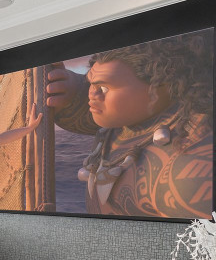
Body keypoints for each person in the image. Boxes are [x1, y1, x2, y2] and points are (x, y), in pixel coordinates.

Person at [45, 32, 213, 218]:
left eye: (103, 88)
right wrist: (72, 91)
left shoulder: (191, 169)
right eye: (90, 82)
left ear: (161, 85)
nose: (92, 94)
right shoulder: (128, 113)